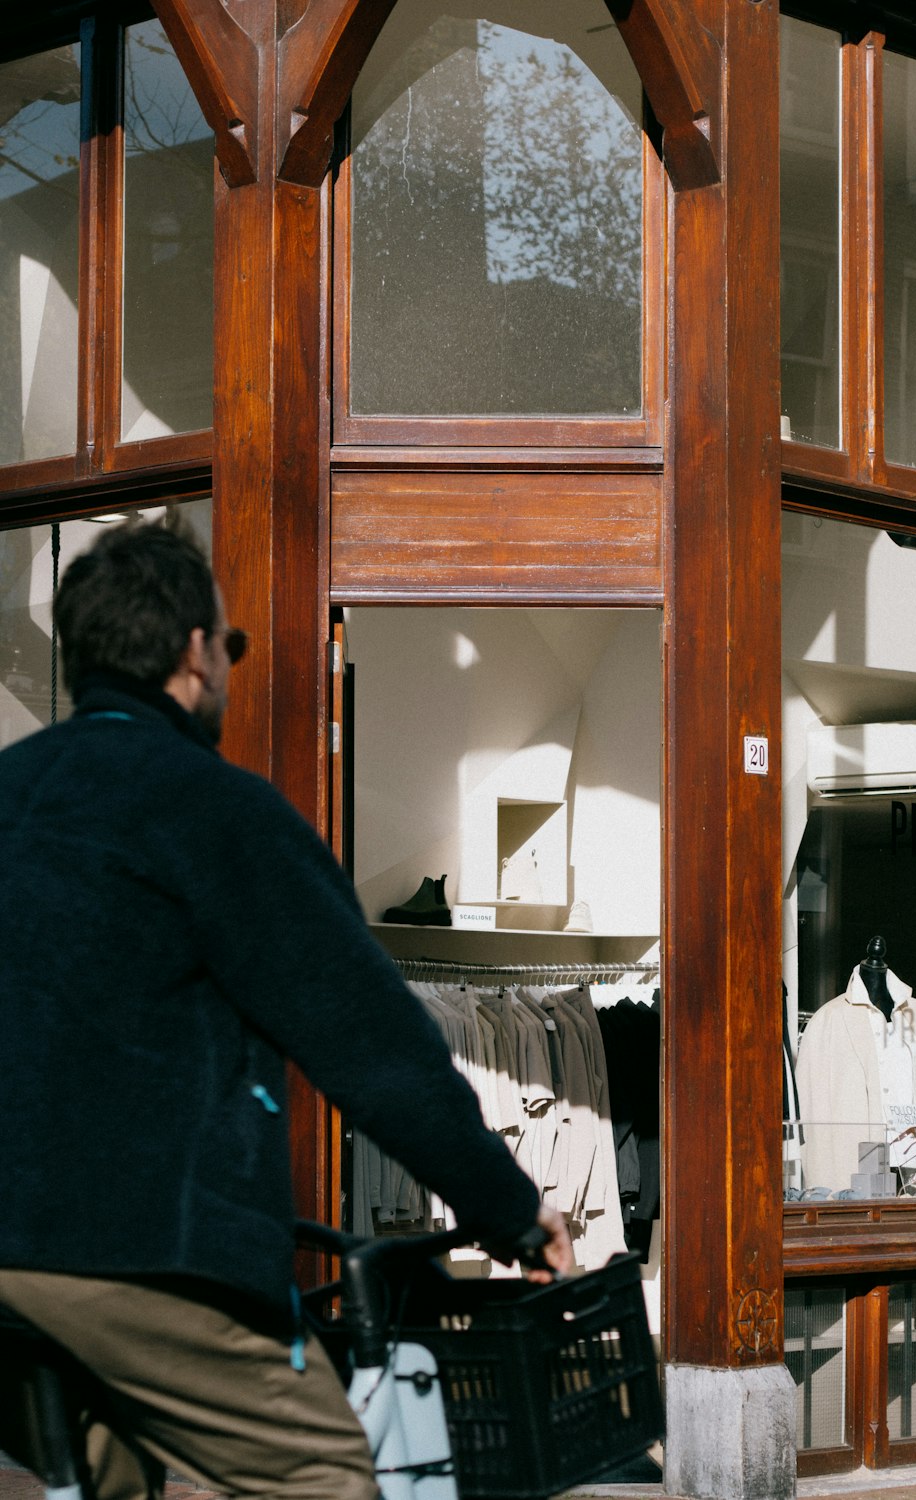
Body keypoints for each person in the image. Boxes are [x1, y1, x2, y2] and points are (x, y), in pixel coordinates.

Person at [0, 517, 571, 1500]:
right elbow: (369, 1041)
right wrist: (509, 1209)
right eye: (227, 643)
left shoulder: (10, 791)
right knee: (317, 1474)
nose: (228, 663)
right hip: (131, 1240)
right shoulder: (216, 810)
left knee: (107, 1478)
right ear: (192, 653)